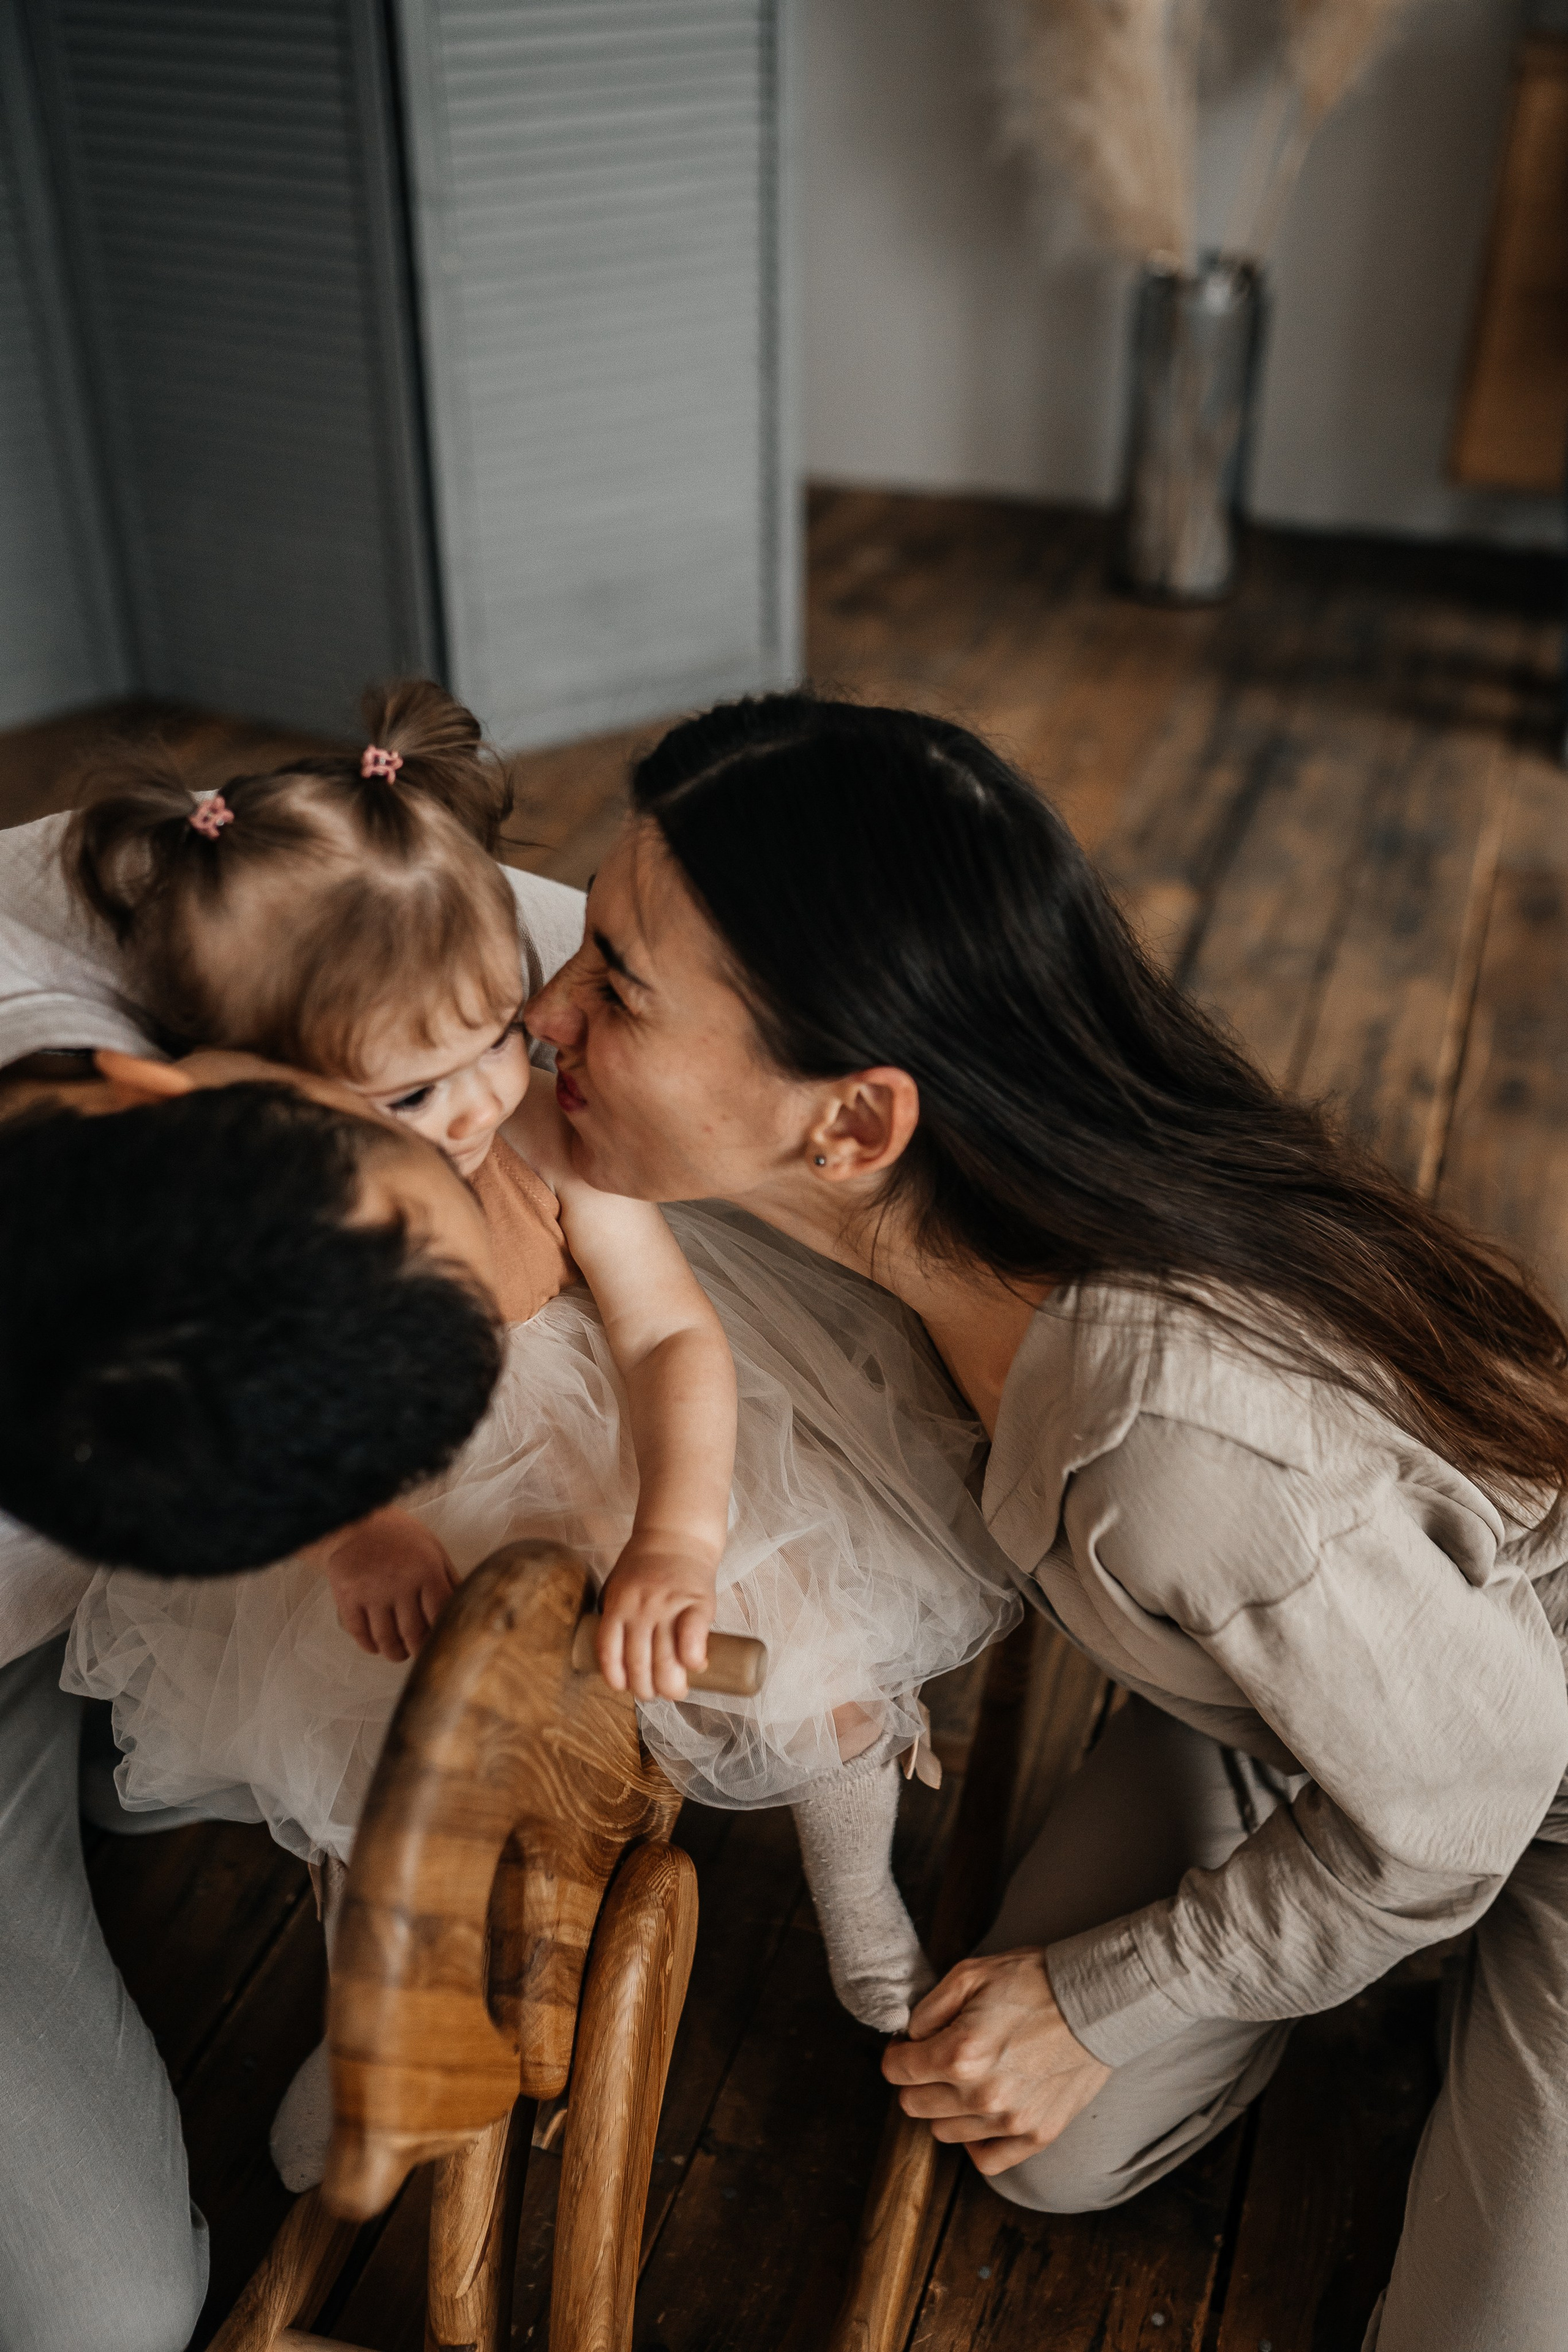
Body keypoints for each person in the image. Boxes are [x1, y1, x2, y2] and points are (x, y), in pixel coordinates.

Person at [515, 691, 1568, 2352]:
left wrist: (1107, 1997)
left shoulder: (1173, 1444)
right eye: (584, 947)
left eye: (616, 986)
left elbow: (1475, 1801)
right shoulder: (931, 1218)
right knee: (1043, 2148)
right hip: (1301, 1690)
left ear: (854, 1121)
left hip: (1516, 1776)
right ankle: (1312, 1805)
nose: (548, 1012)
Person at [59, 682, 1017, 2075]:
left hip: (595, 1436)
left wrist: (676, 1537)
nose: (469, 1110)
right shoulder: (268, 1212)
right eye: (405, 1096)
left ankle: (855, 1884)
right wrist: (360, 1531)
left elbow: (665, 1337)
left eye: (494, 1041)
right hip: (399, 1500)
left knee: (811, 1644)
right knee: (379, 1790)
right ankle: (382, 2035)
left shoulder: (535, 1142)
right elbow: (241, 1420)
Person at [0, 787, 582, 2352]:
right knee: (105, 2322)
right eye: (407, 1128)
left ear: (142, 1086)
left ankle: (121, 1786)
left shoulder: (92, 919)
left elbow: (466, 915)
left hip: (75, 1622)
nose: (467, 1141)